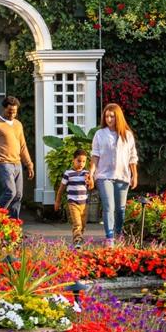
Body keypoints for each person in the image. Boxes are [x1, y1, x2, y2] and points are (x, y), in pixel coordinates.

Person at [89, 102, 138, 242]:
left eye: (112, 116)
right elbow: (95, 155)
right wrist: (91, 173)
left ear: (118, 117)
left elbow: (132, 157)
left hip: (123, 176)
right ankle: (109, 237)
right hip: (104, 176)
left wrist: (135, 175)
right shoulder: (100, 134)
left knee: (120, 209)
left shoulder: (127, 135)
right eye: (106, 116)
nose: (109, 119)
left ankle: (118, 233)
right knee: (109, 206)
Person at [0, 97, 32, 220]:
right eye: (9, 111)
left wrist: (29, 164)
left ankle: (14, 225)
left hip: (17, 163)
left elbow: (23, 146)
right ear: (4, 109)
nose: (12, 114)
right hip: (3, 163)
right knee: (10, 192)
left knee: (18, 195)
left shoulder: (18, 124)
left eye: (15, 111)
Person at [60, 149, 91, 243]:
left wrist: (90, 181)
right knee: (77, 223)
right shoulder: (68, 173)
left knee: (83, 224)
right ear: (73, 160)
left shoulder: (86, 173)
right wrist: (57, 201)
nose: (81, 163)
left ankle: (79, 238)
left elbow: (91, 187)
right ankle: (77, 240)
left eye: (84, 161)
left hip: (84, 203)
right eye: (79, 161)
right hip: (73, 202)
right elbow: (62, 188)